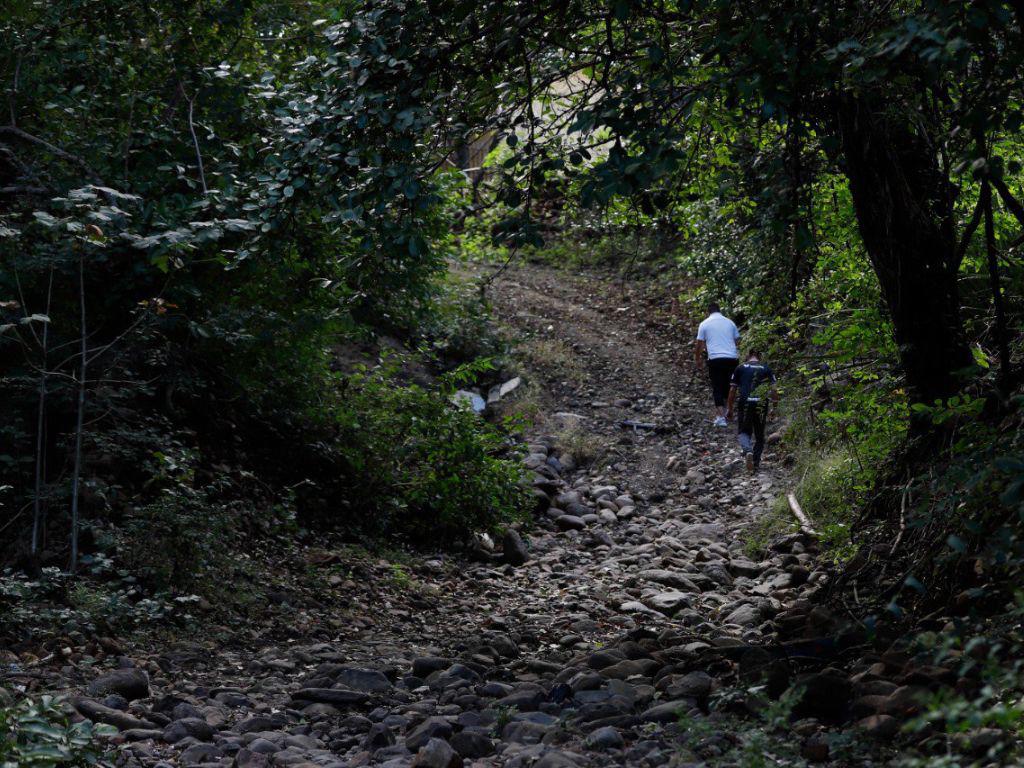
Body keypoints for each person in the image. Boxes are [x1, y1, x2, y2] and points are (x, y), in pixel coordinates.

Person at [726, 351, 777, 471]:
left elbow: (732, 390)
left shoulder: (740, 368)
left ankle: (748, 451)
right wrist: (774, 408)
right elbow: (774, 389)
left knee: (744, 432)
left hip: (745, 403)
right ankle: (755, 462)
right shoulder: (766, 368)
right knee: (759, 436)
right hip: (761, 404)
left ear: (747, 356)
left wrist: (730, 408)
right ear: (760, 357)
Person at [694, 302, 740, 427]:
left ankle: (720, 417)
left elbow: (699, 344)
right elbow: (737, 341)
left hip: (715, 359)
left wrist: (698, 359)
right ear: (720, 310)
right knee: (730, 385)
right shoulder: (730, 322)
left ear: (708, 312)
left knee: (717, 386)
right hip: (732, 358)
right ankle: (729, 411)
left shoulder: (704, 324)